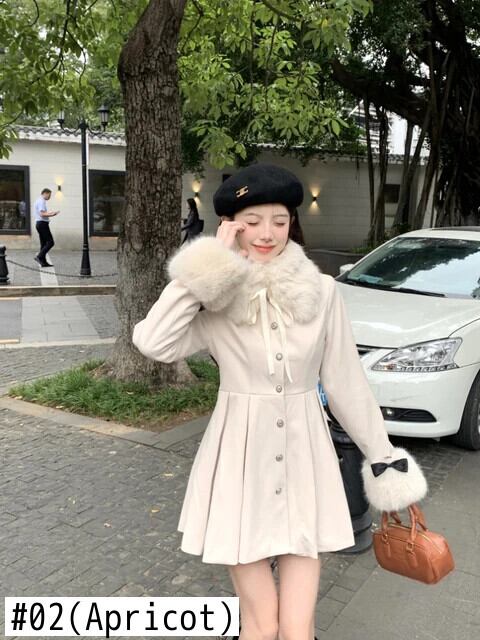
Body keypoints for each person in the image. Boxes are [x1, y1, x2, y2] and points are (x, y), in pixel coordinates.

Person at [132, 164, 427, 640]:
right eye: (252, 221)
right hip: (239, 459)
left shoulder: (323, 292)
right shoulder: (215, 298)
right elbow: (153, 343)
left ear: (293, 222)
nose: (266, 234)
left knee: (295, 627)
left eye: (279, 220)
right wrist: (205, 269)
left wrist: (383, 459)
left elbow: (346, 382)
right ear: (230, 226)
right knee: (261, 623)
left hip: (305, 457)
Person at [33, 188, 59, 267]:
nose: (49, 197)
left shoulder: (38, 200)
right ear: (45, 193)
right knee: (50, 242)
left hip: (39, 223)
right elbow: (42, 214)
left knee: (43, 244)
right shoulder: (41, 201)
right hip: (42, 224)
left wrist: (49, 213)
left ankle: (43, 262)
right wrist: (52, 214)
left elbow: (42, 213)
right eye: (49, 195)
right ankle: (39, 256)